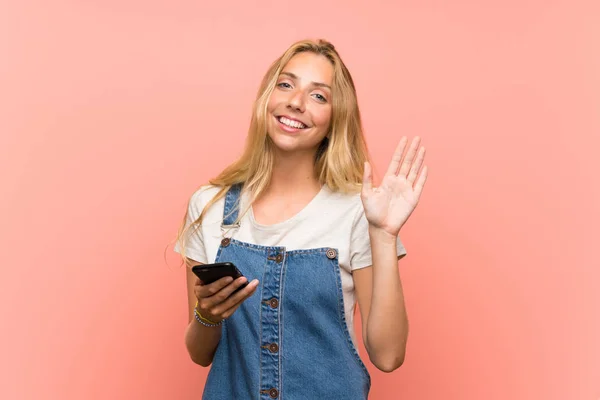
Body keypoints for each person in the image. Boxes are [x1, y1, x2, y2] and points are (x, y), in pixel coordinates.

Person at [174, 38, 428, 400]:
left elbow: (387, 356)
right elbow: (200, 354)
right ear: (267, 96)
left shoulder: (358, 212)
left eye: (319, 96)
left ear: (335, 119)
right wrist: (207, 315)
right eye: (286, 84)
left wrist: (384, 235)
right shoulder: (209, 206)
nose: (296, 102)